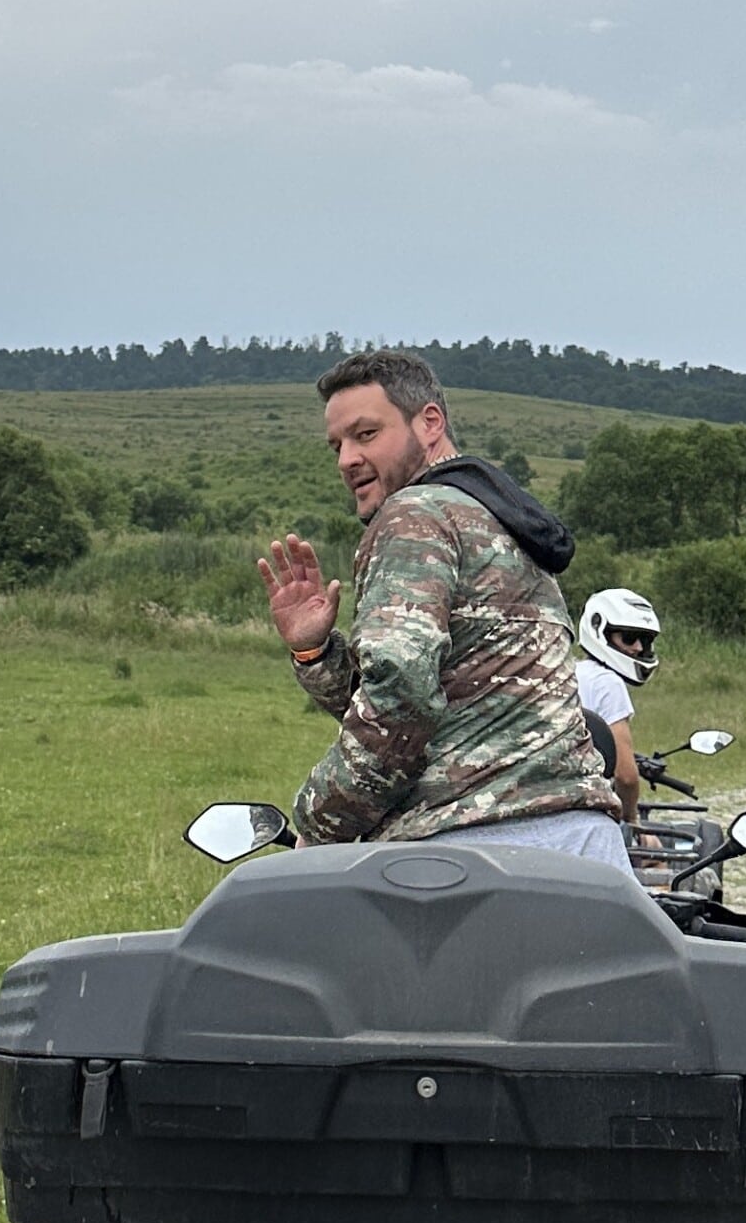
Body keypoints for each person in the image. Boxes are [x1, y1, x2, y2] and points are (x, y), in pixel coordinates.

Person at [258, 349, 625, 866]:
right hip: (586, 845)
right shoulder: (504, 522)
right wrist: (314, 651)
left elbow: (402, 700)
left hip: (473, 856)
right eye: (336, 446)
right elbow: (449, 700)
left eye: (365, 435)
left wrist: (320, 822)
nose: (346, 460)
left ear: (429, 423)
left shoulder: (412, 513)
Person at [575, 588, 660, 823]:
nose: (638, 648)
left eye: (645, 640)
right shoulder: (608, 683)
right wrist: (631, 820)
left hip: (556, 801)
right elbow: (626, 777)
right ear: (599, 631)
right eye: (629, 638)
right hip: (587, 811)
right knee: (654, 857)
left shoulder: (568, 671)